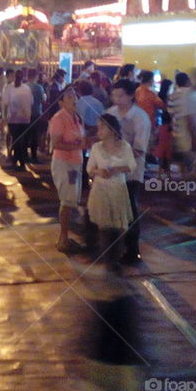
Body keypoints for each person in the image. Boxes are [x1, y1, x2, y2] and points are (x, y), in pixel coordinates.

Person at [107, 79, 151, 263]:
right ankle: (113, 248)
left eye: (120, 95)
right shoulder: (110, 113)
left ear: (131, 95)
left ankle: (132, 250)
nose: (116, 99)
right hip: (109, 172)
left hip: (130, 173)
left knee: (130, 211)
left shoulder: (140, 118)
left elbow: (139, 149)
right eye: (114, 95)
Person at [86, 114, 135, 273]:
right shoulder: (96, 148)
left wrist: (117, 169)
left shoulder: (125, 146)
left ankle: (116, 258)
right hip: (101, 190)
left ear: (112, 130)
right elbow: (89, 169)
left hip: (118, 189)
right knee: (105, 227)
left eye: (102, 126)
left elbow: (131, 166)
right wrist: (99, 171)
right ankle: (109, 261)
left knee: (119, 227)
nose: (98, 130)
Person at [49, 87, 85, 253]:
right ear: (61, 102)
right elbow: (56, 143)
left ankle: (65, 237)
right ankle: (62, 238)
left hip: (75, 163)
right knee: (67, 201)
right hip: (65, 164)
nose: (74, 99)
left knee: (71, 201)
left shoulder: (77, 117)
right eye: (69, 97)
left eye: (75, 96)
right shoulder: (58, 118)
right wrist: (78, 145)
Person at [169, 72, 196, 179]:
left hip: (179, 133)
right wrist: (194, 138)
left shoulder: (172, 96)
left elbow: (172, 115)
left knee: (183, 163)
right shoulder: (193, 95)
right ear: (188, 81)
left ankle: (185, 187)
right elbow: (190, 118)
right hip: (193, 134)